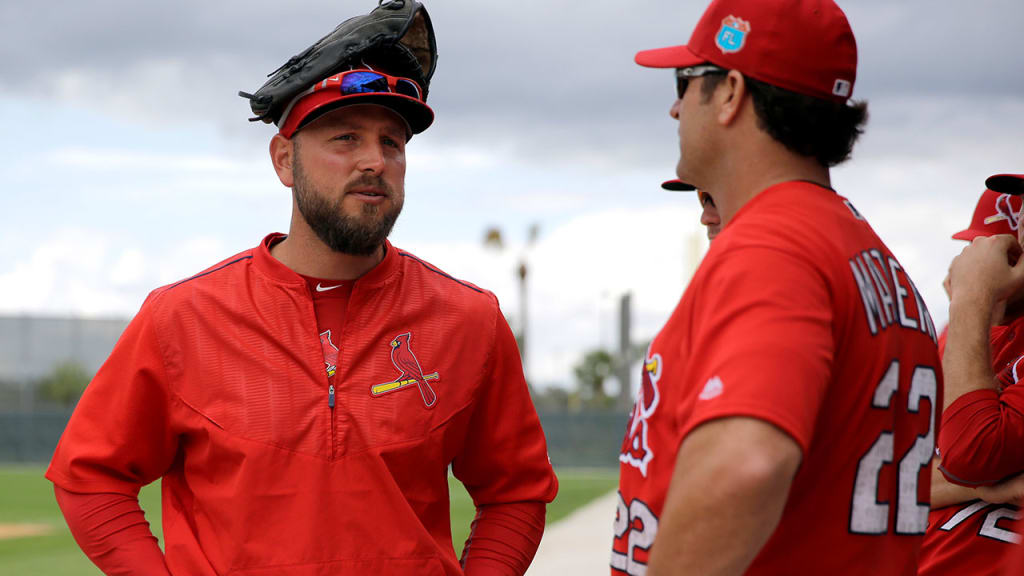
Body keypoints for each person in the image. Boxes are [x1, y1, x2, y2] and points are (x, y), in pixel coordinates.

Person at [45, 5, 557, 576]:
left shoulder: (468, 318)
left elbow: (516, 491)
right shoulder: (182, 317)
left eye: (392, 142)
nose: (374, 161)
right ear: (284, 160)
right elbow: (90, 476)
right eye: (345, 138)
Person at [614, 0, 941, 574]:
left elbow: (747, 463)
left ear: (732, 92)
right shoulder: (863, 249)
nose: (673, 107)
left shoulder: (774, 246)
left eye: (686, 81)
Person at [918, 182, 1023, 576]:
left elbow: (969, 453)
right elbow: (894, 479)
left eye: (998, 251)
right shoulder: (960, 332)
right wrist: (987, 486)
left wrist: (973, 299)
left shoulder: (969, 317)